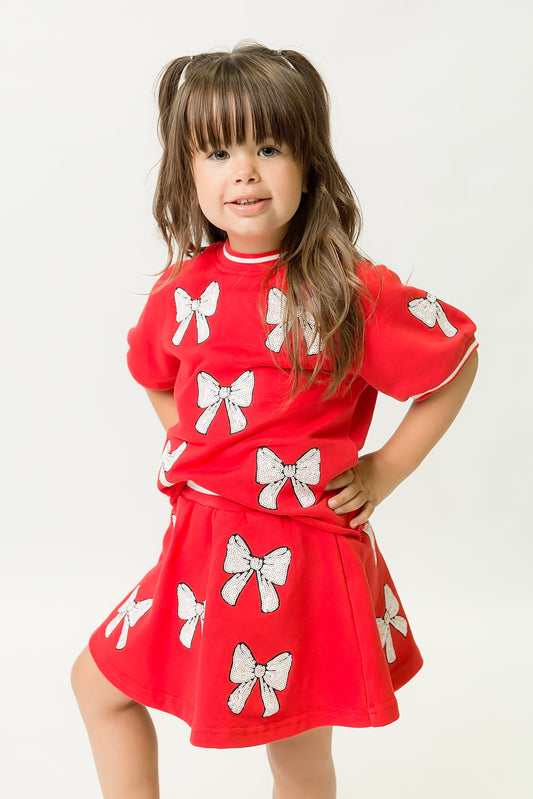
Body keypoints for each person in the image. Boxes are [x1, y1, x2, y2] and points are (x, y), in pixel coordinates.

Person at [71, 43, 478, 799]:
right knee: (98, 685)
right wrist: (195, 440)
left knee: (294, 751)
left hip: (299, 557)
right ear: (186, 173)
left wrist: (383, 468)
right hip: (198, 550)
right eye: (218, 150)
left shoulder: (345, 287)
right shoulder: (182, 290)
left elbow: (455, 358)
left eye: (267, 146)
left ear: (307, 161)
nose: (243, 170)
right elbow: (157, 375)